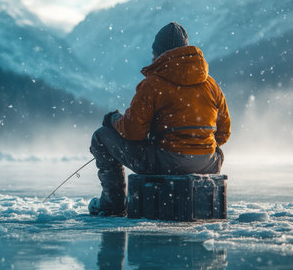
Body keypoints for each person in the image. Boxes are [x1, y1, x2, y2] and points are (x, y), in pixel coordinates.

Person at [89, 22, 231, 217]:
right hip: (208, 164)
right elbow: (224, 132)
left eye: (154, 53)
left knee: (101, 136)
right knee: (217, 150)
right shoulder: (210, 84)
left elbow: (133, 132)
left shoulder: (152, 85)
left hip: (167, 163)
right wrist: (198, 145)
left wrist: (114, 119)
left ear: (158, 53)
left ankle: (113, 204)